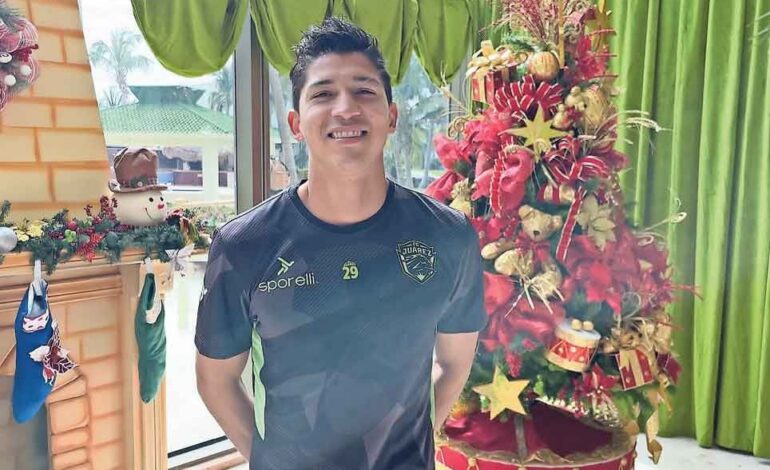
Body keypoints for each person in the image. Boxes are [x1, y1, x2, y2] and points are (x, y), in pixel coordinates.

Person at [194, 17, 486, 470]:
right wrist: (271, 461)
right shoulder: (243, 245)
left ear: (392, 117)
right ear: (296, 123)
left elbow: (453, 364)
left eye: (364, 91)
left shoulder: (448, 236)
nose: (346, 108)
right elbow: (216, 380)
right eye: (323, 93)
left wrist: (410, 449)